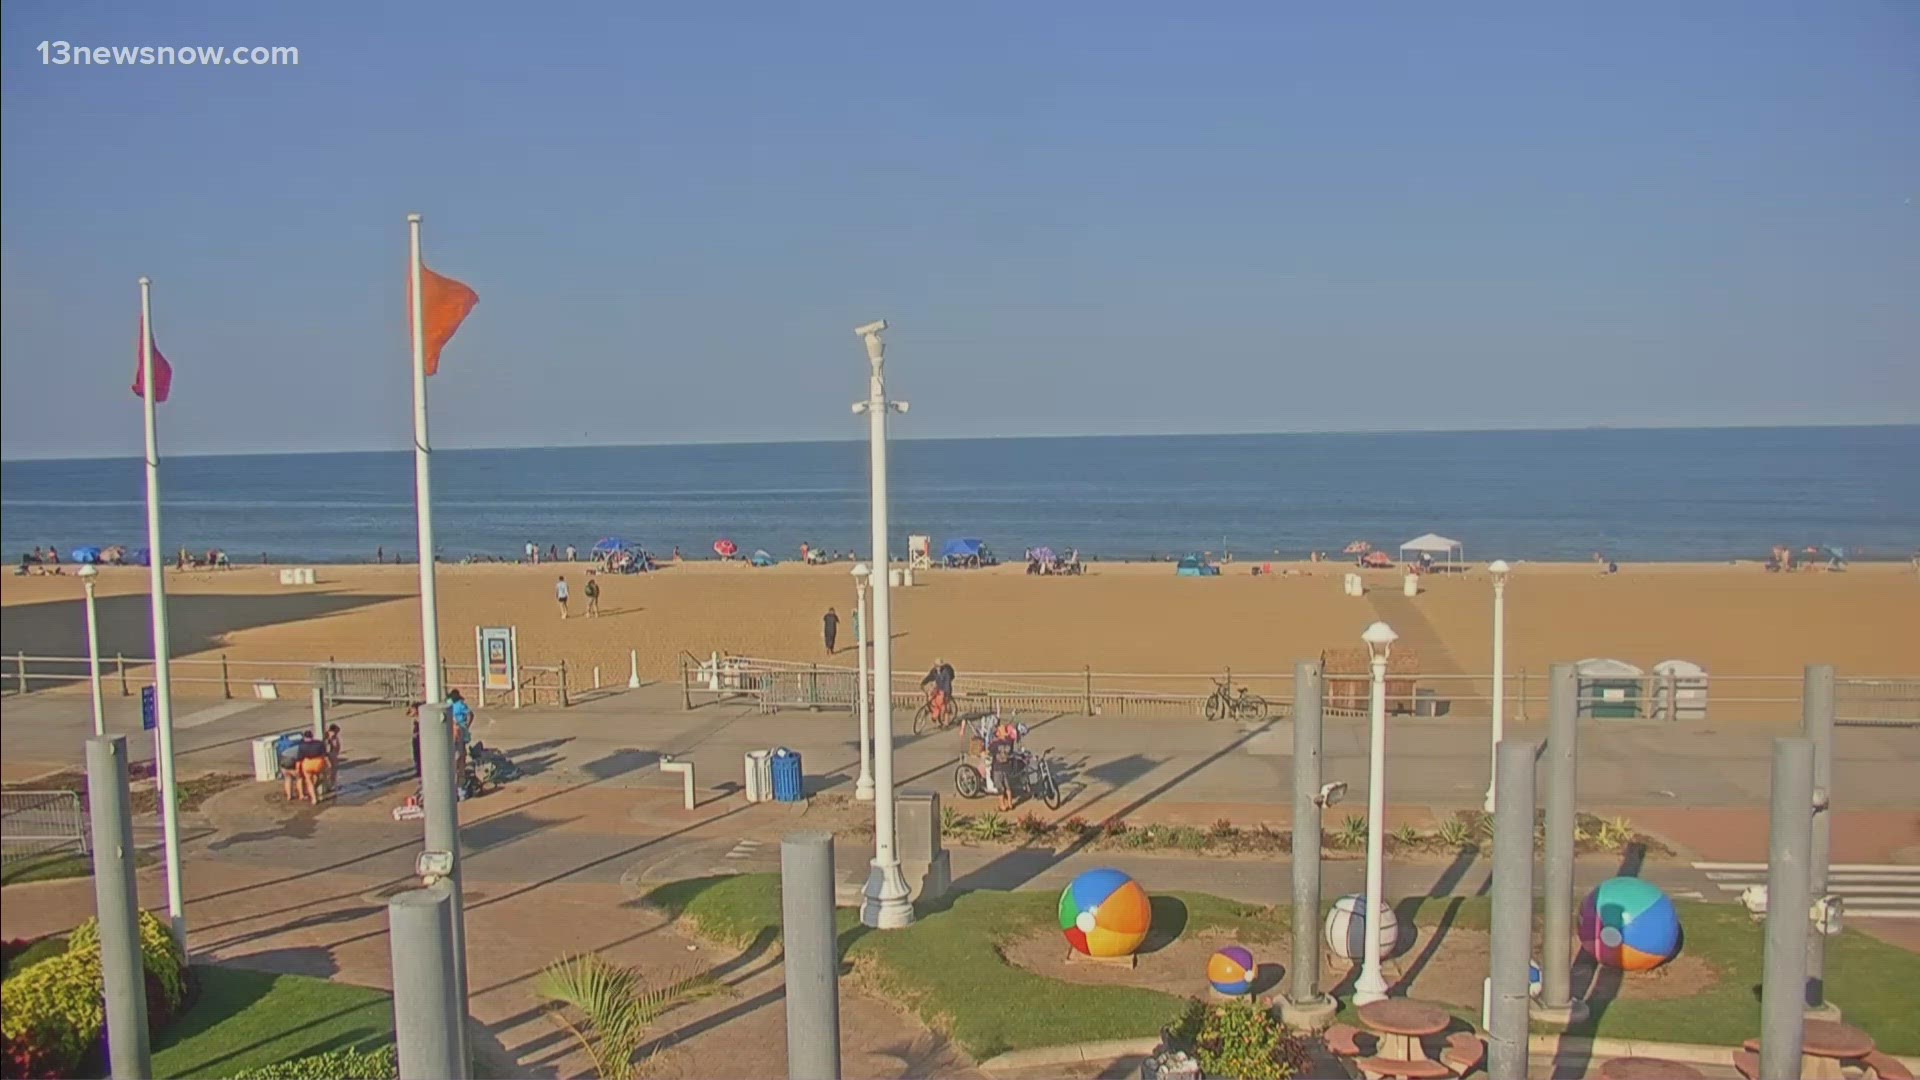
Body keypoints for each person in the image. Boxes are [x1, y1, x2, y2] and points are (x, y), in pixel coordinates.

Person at [987, 722, 1018, 811]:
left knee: (1000, 787)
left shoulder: (995, 744)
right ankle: (1010, 804)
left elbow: (989, 751)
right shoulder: (1010, 742)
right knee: (1008, 786)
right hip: (1007, 767)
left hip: (998, 767)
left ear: (999, 733)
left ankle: (1002, 806)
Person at [295, 729, 329, 803]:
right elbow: (325, 756)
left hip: (307, 763)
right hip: (318, 763)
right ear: (312, 736)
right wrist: (328, 764)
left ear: (304, 737)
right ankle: (315, 786)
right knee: (318, 776)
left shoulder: (301, 746)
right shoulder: (320, 743)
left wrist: (297, 769)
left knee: (309, 781)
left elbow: (299, 759)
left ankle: (314, 799)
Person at [921, 657, 956, 724]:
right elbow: (929, 677)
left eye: (939, 666)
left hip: (946, 690)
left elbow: (947, 684)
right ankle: (936, 715)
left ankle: (946, 722)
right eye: (937, 666)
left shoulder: (946, 673)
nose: (938, 667)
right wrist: (923, 683)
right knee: (934, 701)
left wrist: (946, 694)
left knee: (945, 705)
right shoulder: (934, 671)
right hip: (939, 688)